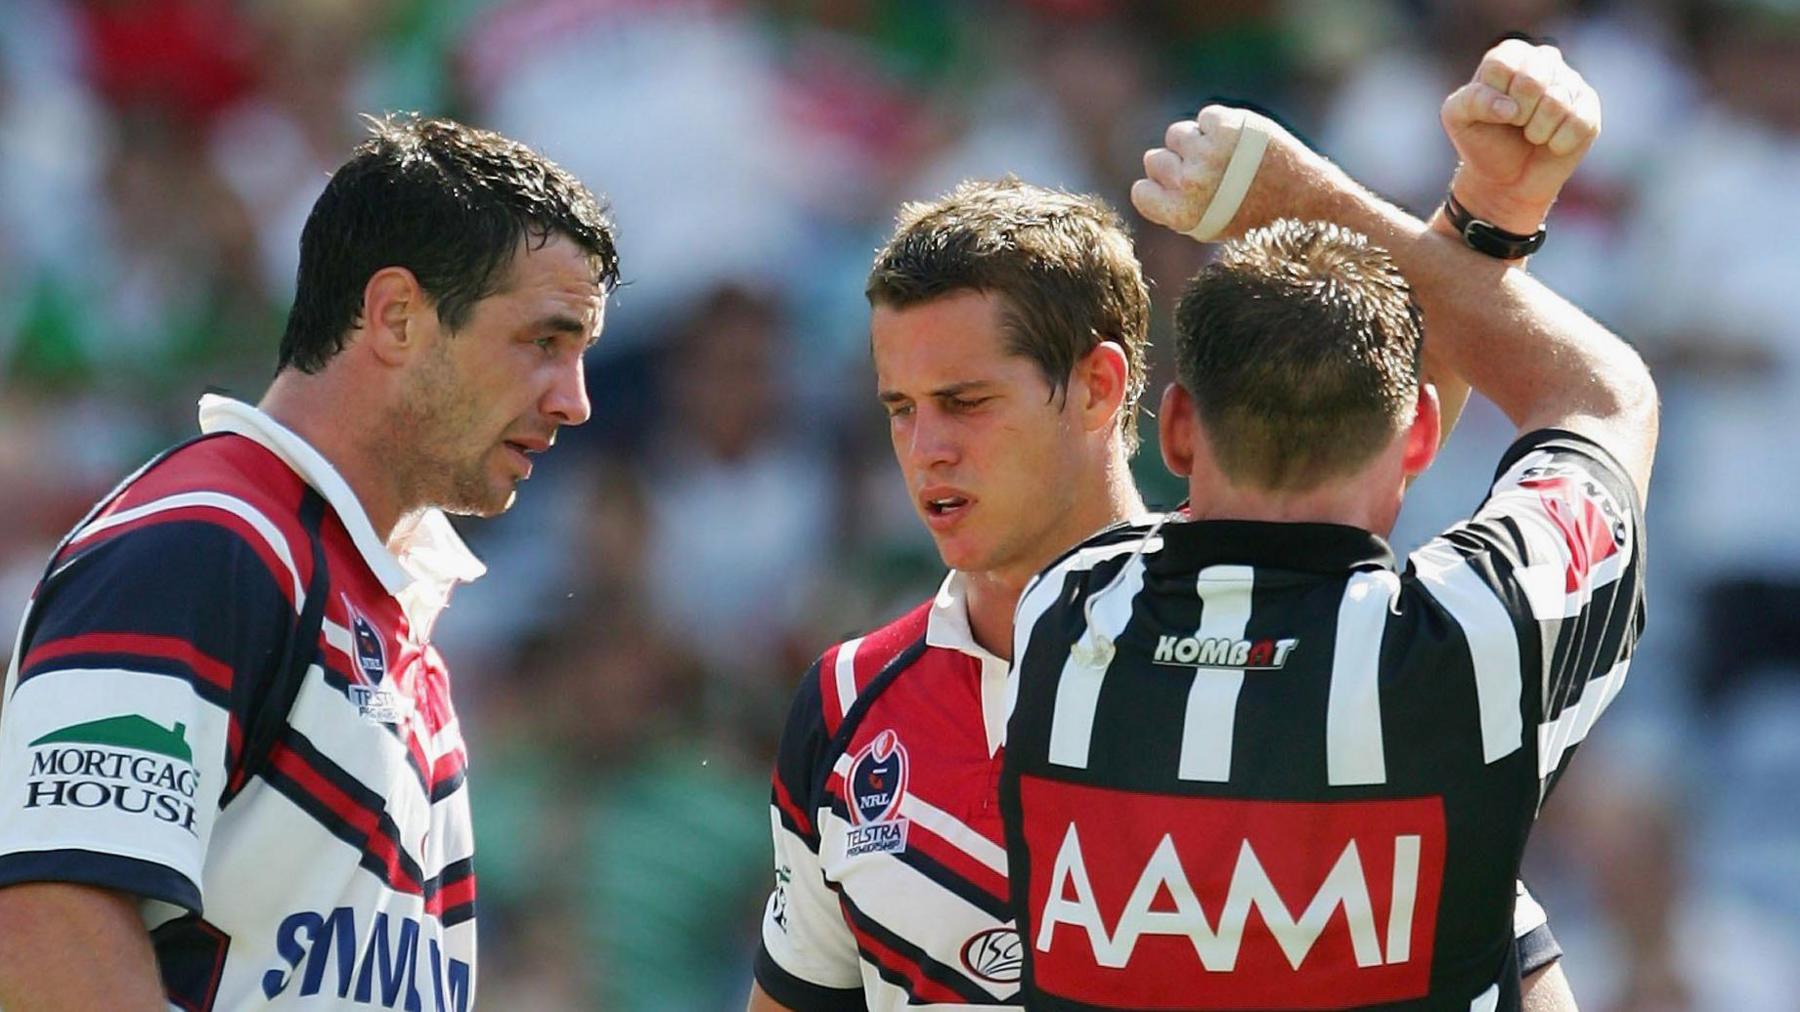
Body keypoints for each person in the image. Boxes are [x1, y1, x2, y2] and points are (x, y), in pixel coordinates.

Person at [750, 40, 1596, 1012]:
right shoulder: (850, 704)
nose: (926, 447)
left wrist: (1493, 207)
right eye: (900, 407)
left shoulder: (1266, 652)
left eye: (967, 400)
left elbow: (1369, 419)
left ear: (1102, 387)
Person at [1000, 41, 1648, 1012]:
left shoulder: (1068, 614)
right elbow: (1601, 394)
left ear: (1174, 427)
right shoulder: (1470, 634)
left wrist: (1481, 209)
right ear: (1423, 432)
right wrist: (1315, 197)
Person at [0, 114, 618, 1010]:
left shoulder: (390, 608)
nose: (576, 401)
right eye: (544, 342)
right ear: (398, 316)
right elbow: (46, 929)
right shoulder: (204, 545)